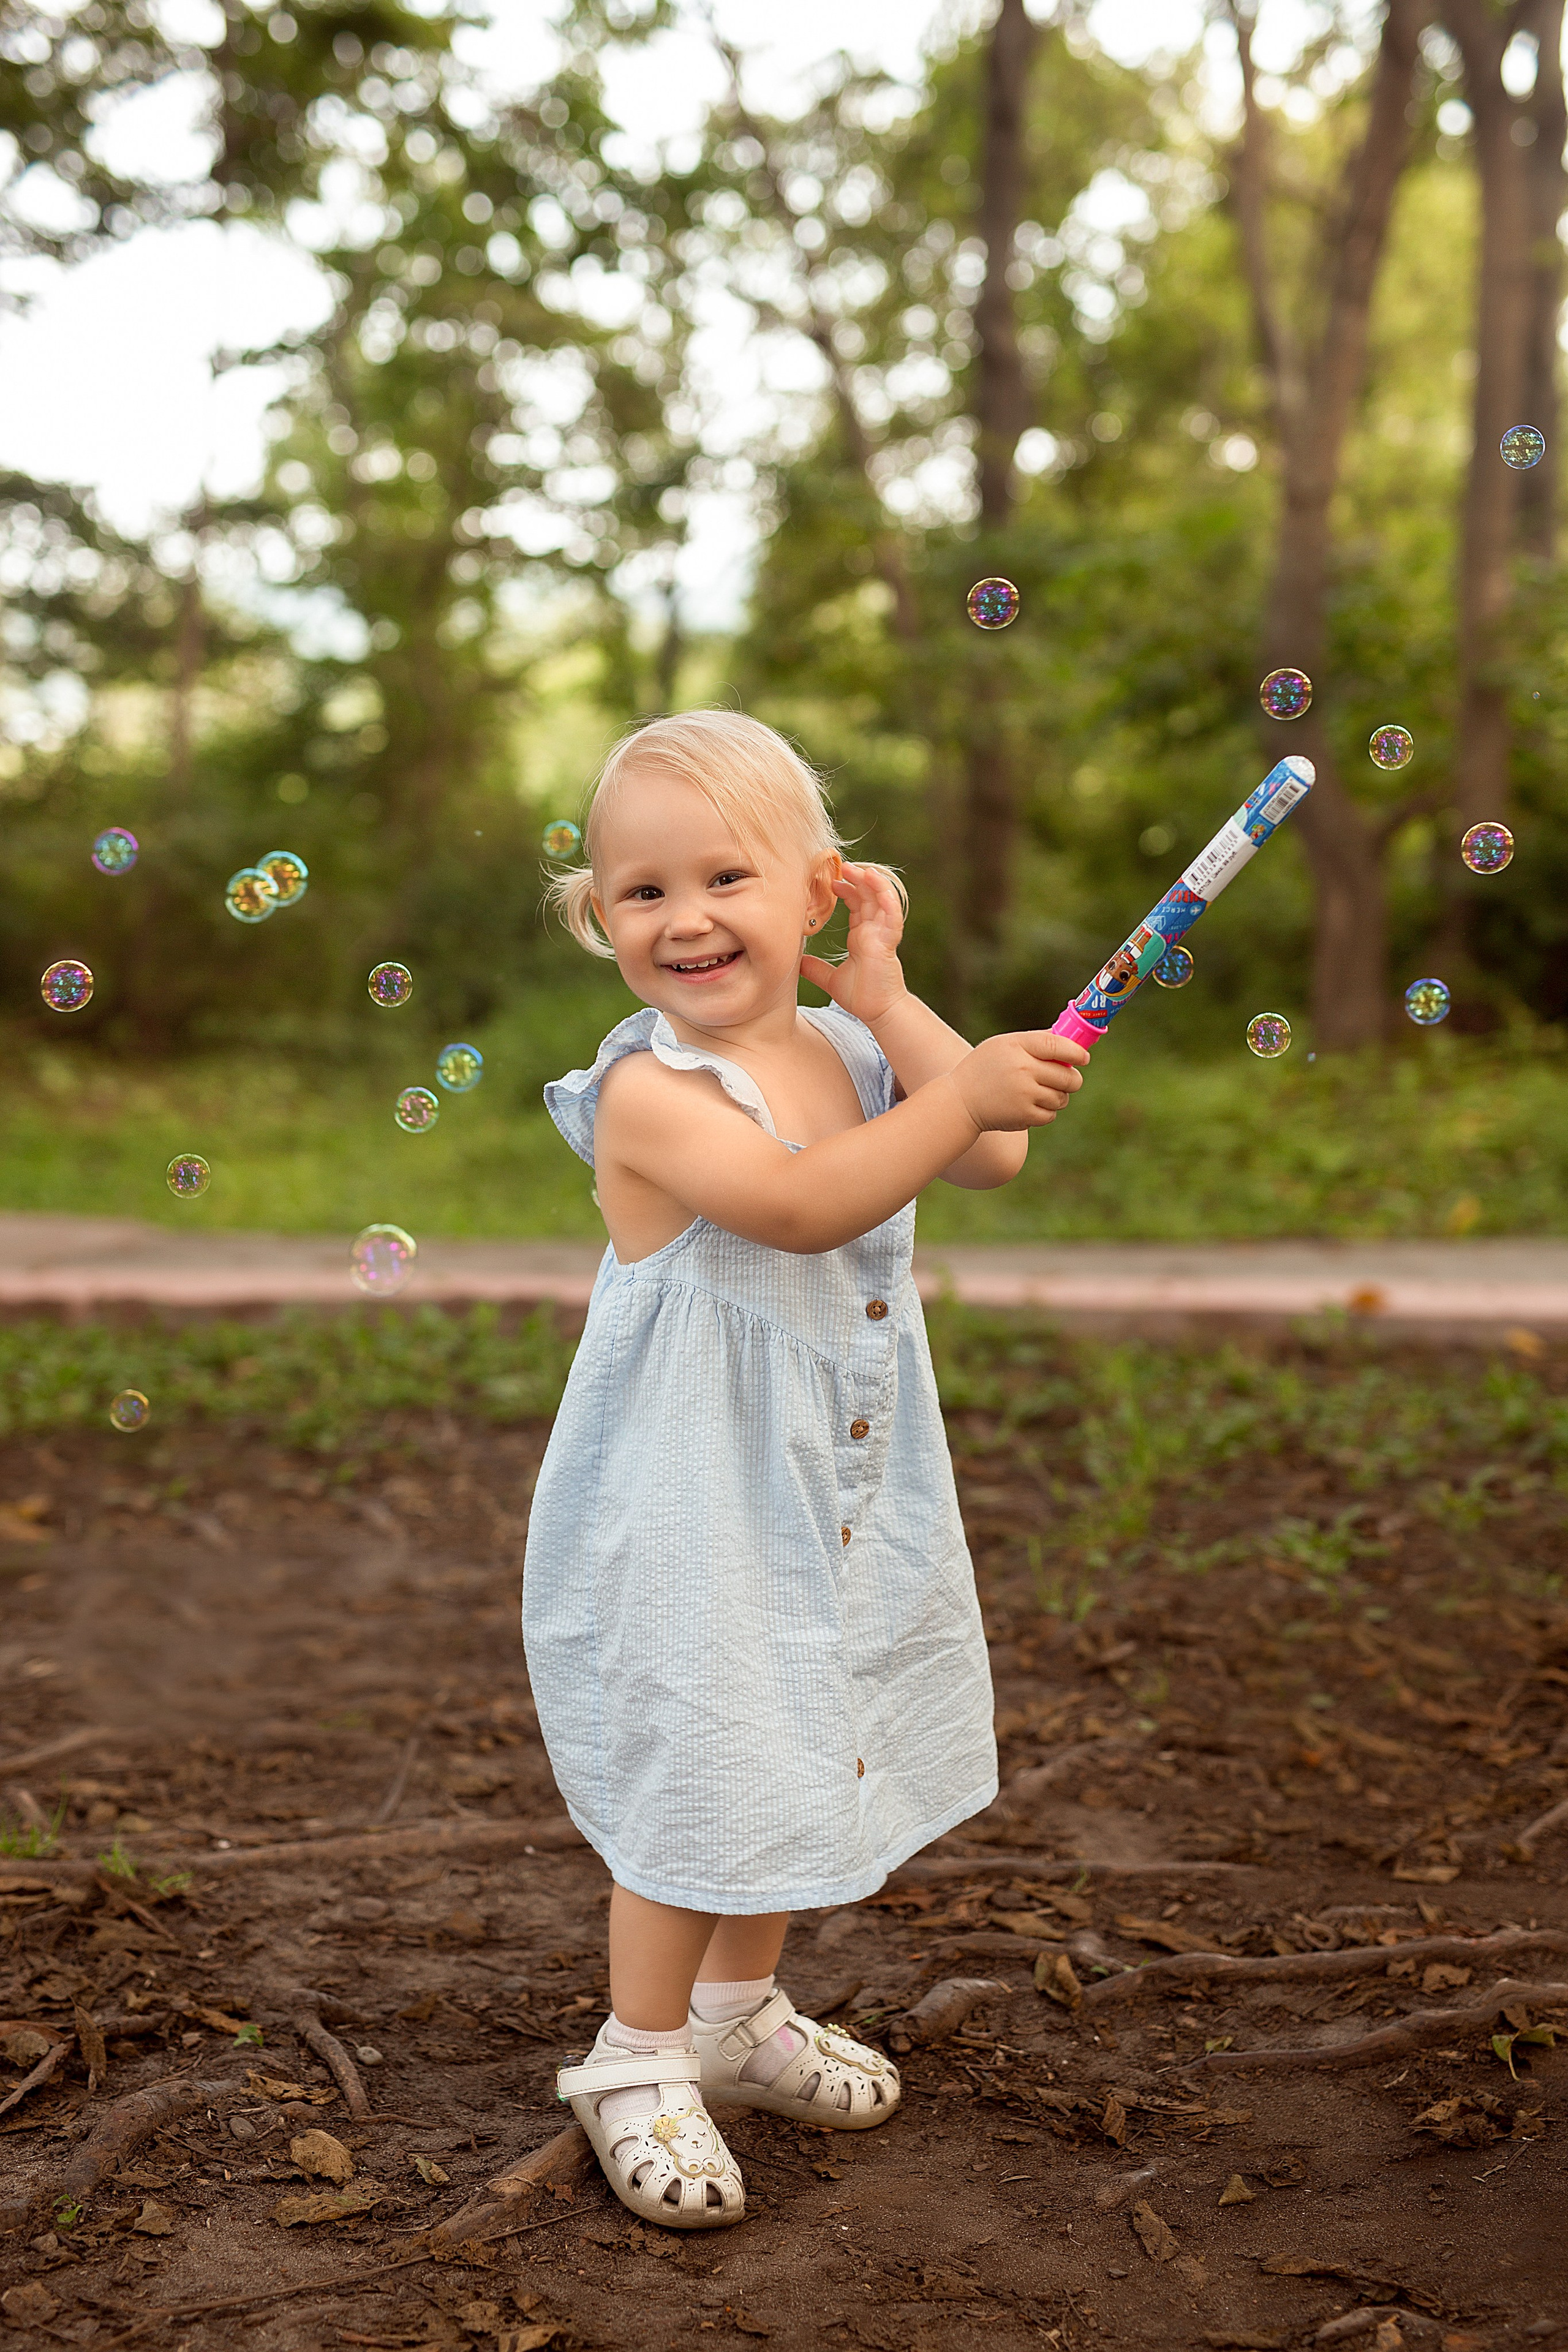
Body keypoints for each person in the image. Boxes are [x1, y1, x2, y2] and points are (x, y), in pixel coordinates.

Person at [524, 710, 1089, 2228]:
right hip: (694, 1495)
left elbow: (989, 1152)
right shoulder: (650, 1092)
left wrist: (897, 1010)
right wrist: (955, 1093)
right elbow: (798, 1207)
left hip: (828, 1480)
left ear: (818, 892)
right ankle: (636, 2057)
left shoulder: (845, 1045)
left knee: (793, 1733)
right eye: (642, 891)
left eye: (726, 878)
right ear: (599, 917)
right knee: (702, 1752)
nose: (686, 917)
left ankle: (733, 2014)